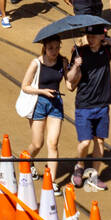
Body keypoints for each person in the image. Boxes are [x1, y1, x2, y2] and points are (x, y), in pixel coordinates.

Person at [66, 27, 111, 193]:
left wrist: (107, 39)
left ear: (101, 36)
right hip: (84, 104)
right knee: (84, 142)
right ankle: (80, 165)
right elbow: (70, 79)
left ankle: (94, 176)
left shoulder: (106, 51)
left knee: (99, 141)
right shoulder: (80, 53)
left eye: (93, 36)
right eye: (88, 36)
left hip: (102, 104)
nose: (90, 39)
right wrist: (76, 67)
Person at [21, 38, 67, 184]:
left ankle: (51, 182)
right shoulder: (36, 63)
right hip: (39, 104)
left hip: (56, 104)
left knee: (53, 144)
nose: (54, 51)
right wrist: (42, 91)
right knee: (37, 144)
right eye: (51, 48)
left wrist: (76, 67)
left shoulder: (63, 62)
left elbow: (70, 85)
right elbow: (25, 86)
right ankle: (27, 160)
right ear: (44, 48)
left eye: (57, 48)